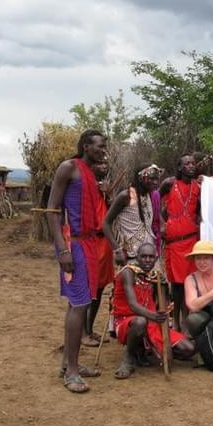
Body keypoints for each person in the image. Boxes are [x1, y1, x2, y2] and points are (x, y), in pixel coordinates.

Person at [46, 129, 106, 393]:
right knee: (78, 304)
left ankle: (69, 363)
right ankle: (71, 372)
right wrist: (62, 250)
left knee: (80, 302)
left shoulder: (90, 173)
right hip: (76, 245)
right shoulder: (68, 168)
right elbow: (52, 211)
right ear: (85, 146)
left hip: (91, 244)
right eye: (99, 146)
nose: (103, 150)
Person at [113, 243, 195, 379]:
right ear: (137, 257)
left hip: (151, 323)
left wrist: (163, 285)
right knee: (140, 322)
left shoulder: (154, 275)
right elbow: (133, 305)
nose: (147, 260)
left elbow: (162, 304)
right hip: (126, 321)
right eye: (143, 256)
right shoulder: (128, 272)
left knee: (188, 349)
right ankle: (129, 357)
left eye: (151, 257)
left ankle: (146, 350)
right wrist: (154, 316)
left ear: (156, 259)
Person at [160, 154, 200, 331]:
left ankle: (186, 320)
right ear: (179, 167)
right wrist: (161, 223)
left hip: (191, 241)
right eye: (187, 164)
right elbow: (154, 200)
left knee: (190, 282)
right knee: (176, 284)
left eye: (193, 163)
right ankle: (175, 321)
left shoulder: (197, 187)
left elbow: (198, 211)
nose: (191, 166)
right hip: (174, 243)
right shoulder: (169, 183)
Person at [83, 159, 115, 347]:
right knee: (88, 288)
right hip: (91, 241)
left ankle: (89, 328)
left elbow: (110, 215)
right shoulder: (84, 186)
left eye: (106, 164)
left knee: (99, 288)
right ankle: (82, 333)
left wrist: (108, 197)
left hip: (105, 243)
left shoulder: (105, 189)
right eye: (100, 164)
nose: (104, 166)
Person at [103, 164, 162, 265]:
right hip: (132, 257)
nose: (155, 182)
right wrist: (117, 249)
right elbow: (106, 223)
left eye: (157, 179)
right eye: (152, 179)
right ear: (141, 178)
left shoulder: (149, 195)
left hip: (149, 256)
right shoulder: (126, 196)